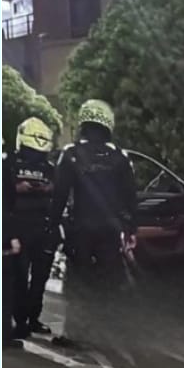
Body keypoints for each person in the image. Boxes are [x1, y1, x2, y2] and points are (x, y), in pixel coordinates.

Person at [48, 99, 138, 344]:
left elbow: (59, 195)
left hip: (80, 231)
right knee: (109, 282)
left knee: (79, 281)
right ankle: (108, 333)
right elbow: (131, 197)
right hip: (110, 231)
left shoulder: (71, 153)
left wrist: (53, 226)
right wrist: (131, 230)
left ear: (83, 122)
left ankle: (75, 334)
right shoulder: (121, 156)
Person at [9, 117, 59, 338]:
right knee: (18, 277)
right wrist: (17, 188)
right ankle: (18, 321)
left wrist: (48, 188)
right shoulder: (9, 163)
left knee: (40, 278)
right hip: (18, 228)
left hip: (43, 228)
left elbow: (60, 193)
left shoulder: (50, 168)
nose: (36, 157)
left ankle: (32, 319)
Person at [1, 139, 23, 349]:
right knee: (5, 284)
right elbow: (6, 205)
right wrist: (12, 236)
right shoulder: (2, 167)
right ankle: (3, 334)